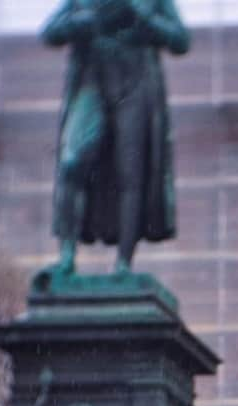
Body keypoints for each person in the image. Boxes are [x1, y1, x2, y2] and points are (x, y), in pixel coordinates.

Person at [39, 0, 190, 277]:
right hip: (92, 80)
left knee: (130, 173)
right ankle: (66, 257)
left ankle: (123, 263)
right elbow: (49, 32)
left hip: (134, 84)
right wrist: (78, 23)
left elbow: (180, 39)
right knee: (72, 161)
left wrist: (142, 17)